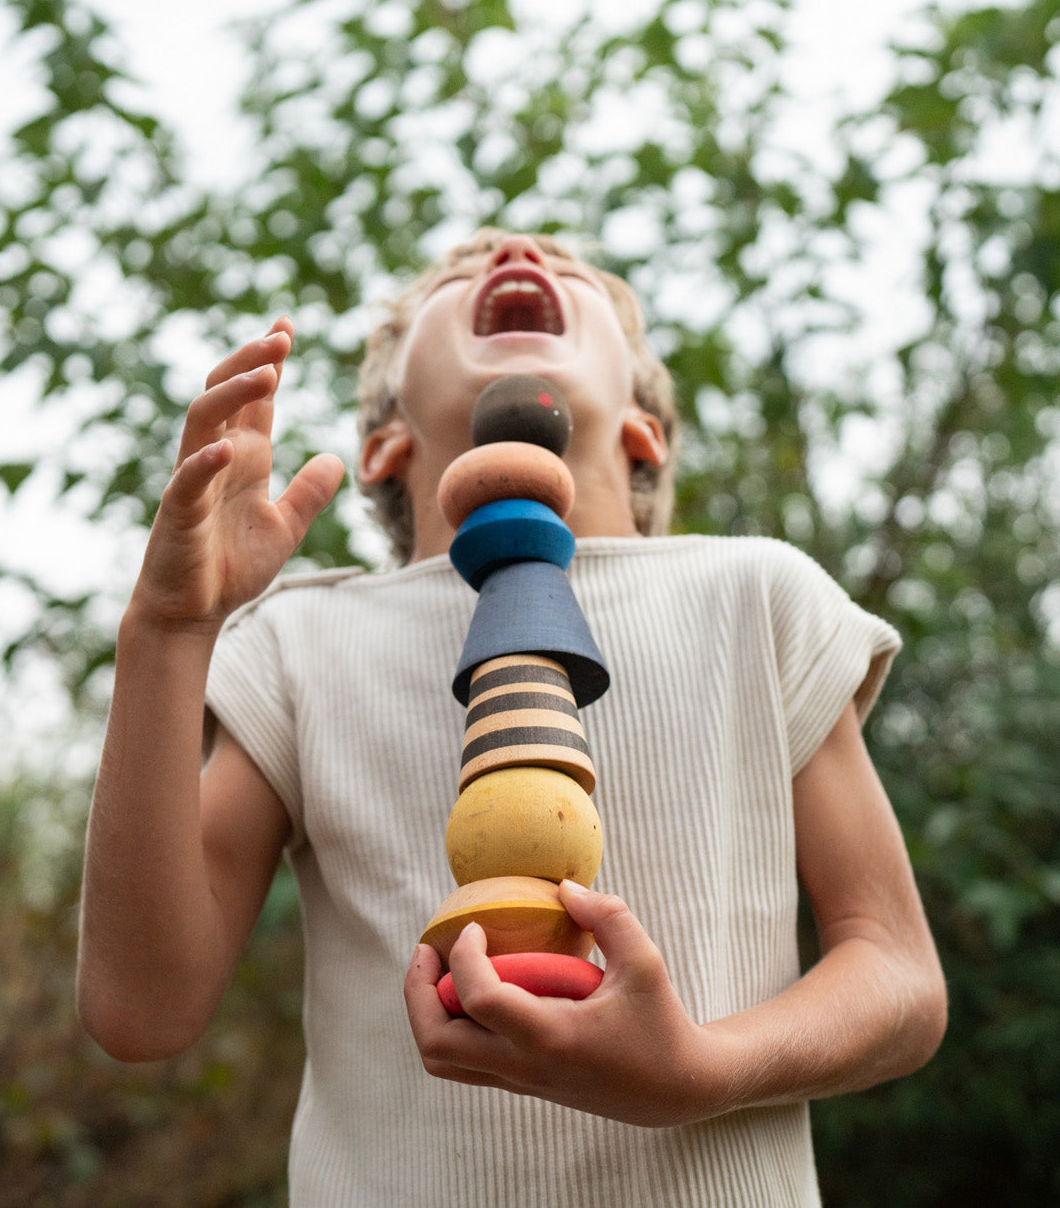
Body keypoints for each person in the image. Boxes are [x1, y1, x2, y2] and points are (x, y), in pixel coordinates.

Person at [76, 228, 947, 1205]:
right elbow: (140, 1007)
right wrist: (167, 630)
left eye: (571, 268)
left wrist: (701, 1068)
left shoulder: (755, 595)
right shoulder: (298, 641)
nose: (515, 250)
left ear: (641, 431)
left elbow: (898, 975)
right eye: (455, 271)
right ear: (383, 445)